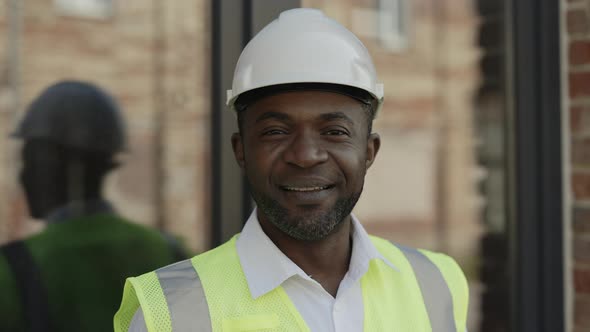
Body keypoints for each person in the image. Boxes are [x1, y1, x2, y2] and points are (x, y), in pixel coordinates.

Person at [115, 8, 469, 332]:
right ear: (241, 151)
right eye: (276, 132)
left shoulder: (437, 283)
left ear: (368, 151)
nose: (305, 156)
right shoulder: (167, 313)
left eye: (334, 132)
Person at [0, 80, 187, 332]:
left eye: (30, 159)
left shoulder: (11, 272)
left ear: (51, 161)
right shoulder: (172, 255)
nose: (23, 176)